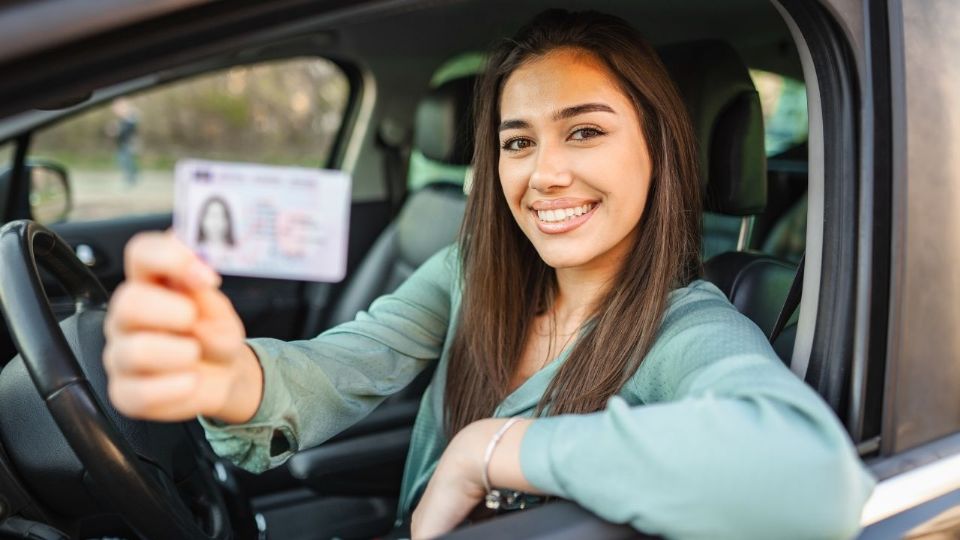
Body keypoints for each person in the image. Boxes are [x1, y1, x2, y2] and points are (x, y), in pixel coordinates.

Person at [102, 10, 875, 539]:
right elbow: (344, 364)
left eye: (584, 131)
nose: (545, 174)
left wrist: (486, 449)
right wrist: (225, 377)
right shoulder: (470, 271)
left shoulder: (690, 327)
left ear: (660, 147)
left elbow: (811, 478)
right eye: (517, 142)